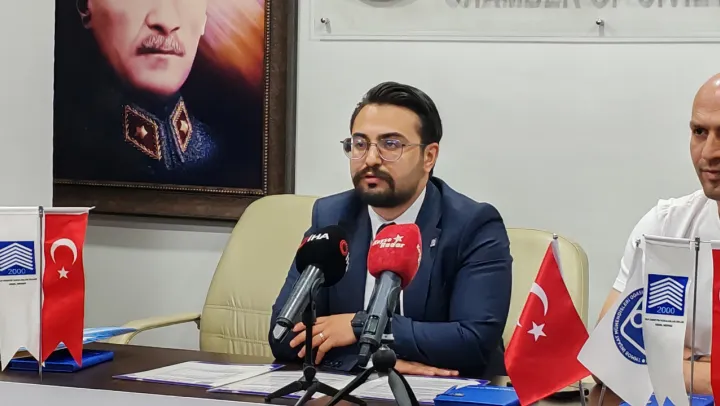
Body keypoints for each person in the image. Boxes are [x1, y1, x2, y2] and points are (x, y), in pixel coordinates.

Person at [269, 81, 513, 378]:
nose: (371, 159)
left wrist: (359, 325)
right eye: (360, 144)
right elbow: (284, 335)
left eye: (391, 144)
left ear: (429, 157)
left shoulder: (473, 225)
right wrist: (373, 362)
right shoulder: (332, 218)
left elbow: (473, 341)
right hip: (354, 390)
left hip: (448, 392)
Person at [597, 73, 720, 395]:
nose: (708, 152)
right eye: (699, 132)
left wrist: (660, 358)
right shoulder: (664, 225)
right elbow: (607, 356)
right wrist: (702, 365)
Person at [54, 0, 221, 186]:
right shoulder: (62, 149)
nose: (166, 21)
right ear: (84, 5)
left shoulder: (219, 152)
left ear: (204, 18)